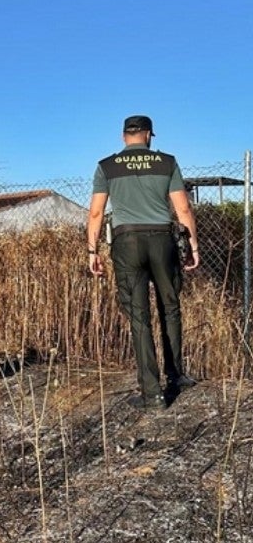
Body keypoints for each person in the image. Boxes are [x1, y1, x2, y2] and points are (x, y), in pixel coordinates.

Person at [87, 115, 200, 410]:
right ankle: (176, 376)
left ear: (124, 136)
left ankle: (153, 393)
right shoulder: (167, 162)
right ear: (149, 135)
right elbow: (183, 208)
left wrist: (92, 251)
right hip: (163, 239)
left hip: (127, 242)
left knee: (139, 316)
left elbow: (96, 213)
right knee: (170, 307)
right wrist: (193, 246)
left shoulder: (107, 166)